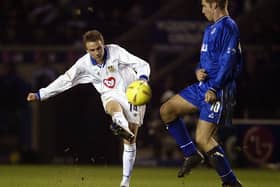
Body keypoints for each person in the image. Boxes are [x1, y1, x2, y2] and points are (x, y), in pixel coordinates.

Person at [26, 29, 151, 187]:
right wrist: (40, 94)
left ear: (103, 44)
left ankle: (126, 178)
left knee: (130, 139)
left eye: (99, 48)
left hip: (132, 92)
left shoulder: (116, 52)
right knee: (111, 103)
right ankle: (119, 123)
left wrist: (142, 80)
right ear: (87, 50)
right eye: (92, 50)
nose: (97, 52)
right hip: (110, 93)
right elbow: (65, 80)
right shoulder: (84, 64)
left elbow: (142, 64)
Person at [159, 0, 243, 187]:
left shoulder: (228, 27)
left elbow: (230, 61)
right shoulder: (210, 29)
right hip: (202, 87)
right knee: (167, 110)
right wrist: (198, 70)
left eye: (205, 6)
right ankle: (191, 154)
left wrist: (215, 87)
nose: (202, 10)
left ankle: (231, 182)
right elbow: (206, 60)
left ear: (214, 5)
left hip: (218, 90)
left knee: (203, 139)